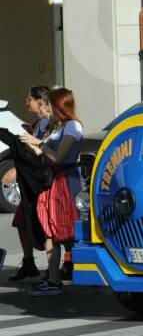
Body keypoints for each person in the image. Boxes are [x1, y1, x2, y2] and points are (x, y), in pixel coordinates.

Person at [19, 88, 84, 296]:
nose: (46, 109)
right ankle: (54, 279)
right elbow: (44, 154)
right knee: (51, 231)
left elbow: (58, 156)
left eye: (50, 105)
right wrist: (29, 143)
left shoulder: (73, 126)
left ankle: (82, 270)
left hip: (66, 180)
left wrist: (38, 143)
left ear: (59, 106)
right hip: (54, 181)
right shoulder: (58, 127)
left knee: (69, 233)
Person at [4, 86, 51, 282]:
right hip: (31, 182)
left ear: (39, 100)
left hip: (44, 182)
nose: (26, 103)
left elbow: (42, 151)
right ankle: (29, 262)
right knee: (21, 221)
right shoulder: (37, 123)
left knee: (51, 226)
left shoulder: (49, 124)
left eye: (29, 99)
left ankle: (62, 264)